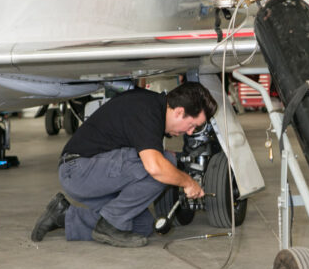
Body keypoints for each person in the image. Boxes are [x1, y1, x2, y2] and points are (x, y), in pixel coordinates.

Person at [30, 82, 218, 247]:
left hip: (94, 174)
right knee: (164, 163)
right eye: (192, 125)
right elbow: (155, 168)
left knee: (141, 226)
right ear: (179, 112)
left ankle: (63, 216)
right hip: (79, 169)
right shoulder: (147, 109)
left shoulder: (153, 108)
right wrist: (187, 182)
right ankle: (109, 225)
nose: (189, 131)